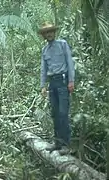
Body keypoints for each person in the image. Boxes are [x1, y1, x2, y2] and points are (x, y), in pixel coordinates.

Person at [38, 22, 75, 155]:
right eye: (46, 32)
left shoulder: (62, 44)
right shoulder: (45, 50)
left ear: (54, 32)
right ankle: (57, 143)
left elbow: (70, 63)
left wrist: (71, 81)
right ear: (44, 35)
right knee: (55, 114)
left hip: (63, 81)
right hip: (52, 83)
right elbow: (43, 69)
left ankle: (66, 145)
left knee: (63, 113)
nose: (49, 34)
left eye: (51, 31)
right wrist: (43, 86)